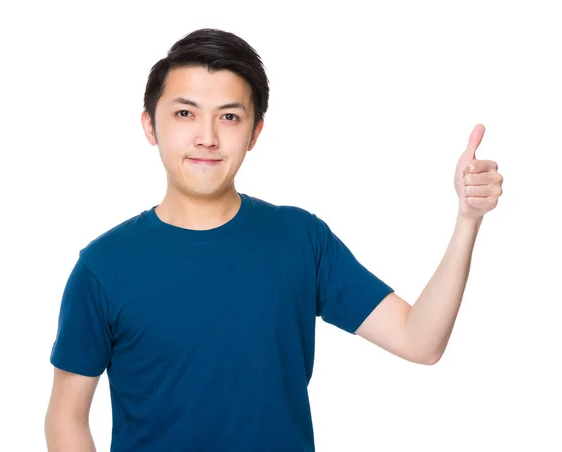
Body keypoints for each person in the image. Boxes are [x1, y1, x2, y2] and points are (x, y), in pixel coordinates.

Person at [44, 28, 503, 452]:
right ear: (150, 125)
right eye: (185, 113)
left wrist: (468, 219)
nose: (206, 137)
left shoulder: (300, 239)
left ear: (254, 132)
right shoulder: (103, 267)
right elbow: (66, 418)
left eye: (228, 116)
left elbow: (419, 341)